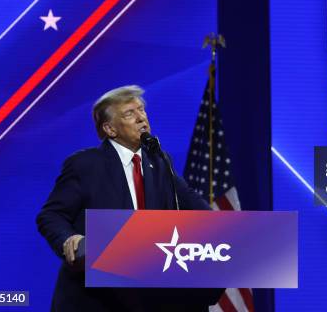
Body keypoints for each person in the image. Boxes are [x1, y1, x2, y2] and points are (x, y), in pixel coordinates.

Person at [36, 85, 211, 311]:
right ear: (109, 129)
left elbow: (192, 200)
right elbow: (51, 215)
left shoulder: (159, 161)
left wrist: (225, 231)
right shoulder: (85, 164)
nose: (141, 118)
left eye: (142, 110)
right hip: (96, 299)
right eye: (130, 113)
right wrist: (70, 239)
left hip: (148, 296)